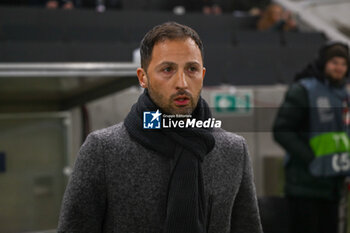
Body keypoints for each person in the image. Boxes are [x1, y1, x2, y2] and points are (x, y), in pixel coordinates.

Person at [57, 22, 262, 233]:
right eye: (167, 69)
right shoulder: (103, 150)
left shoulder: (233, 150)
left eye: (192, 69)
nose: (182, 82)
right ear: (143, 78)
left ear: (202, 74)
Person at [273, 41, 350, 233]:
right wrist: (312, 158)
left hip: (333, 185)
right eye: (334, 62)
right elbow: (282, 130)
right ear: (324, 63)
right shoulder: (304, 90)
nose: (339, 67)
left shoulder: (344, 95)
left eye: (343, 63)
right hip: (304, 186)